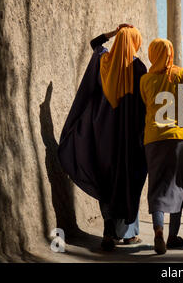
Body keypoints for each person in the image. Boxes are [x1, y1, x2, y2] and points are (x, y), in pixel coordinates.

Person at [58, 24, 148, 252]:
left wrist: (113, 33)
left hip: (102, 135)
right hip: (128, 139)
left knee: (106, 180)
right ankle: (129, 234)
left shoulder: (103, 60)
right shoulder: (137, 67)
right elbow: (143, 104)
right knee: (129, 180)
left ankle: (109, 234)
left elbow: (94, 44)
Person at [140, 38, 183, 255]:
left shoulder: (145, 79)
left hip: (153, 138)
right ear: (170, 53)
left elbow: (146, 103)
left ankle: (158, 230)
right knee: (178, 185)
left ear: (152, 54)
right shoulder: (181, 74)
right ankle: (173, 236)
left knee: (157, 185)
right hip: (178, 137)